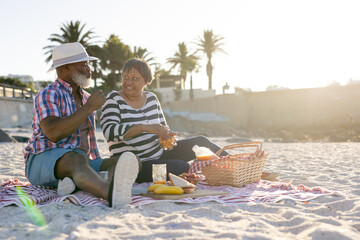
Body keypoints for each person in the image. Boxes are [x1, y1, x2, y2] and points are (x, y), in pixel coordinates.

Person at [23, 42, 139, 207]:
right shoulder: (47, 94)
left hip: (80, 161)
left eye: (88, 64)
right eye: (83, 64)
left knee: (124, 160)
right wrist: (89, 107)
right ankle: (110, 192)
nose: (89, 69)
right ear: (65, 68)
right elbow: (53, 133)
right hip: (42, 160)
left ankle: (74, 182)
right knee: (75, 159)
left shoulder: (85, 97)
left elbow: (87, 142)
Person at [100, 58, 227, 183]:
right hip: (136, 166)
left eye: (134, 78)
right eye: (125, 77)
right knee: (181, 167)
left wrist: (168, 138)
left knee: (202, 142)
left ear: (146, 81)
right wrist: (145, 127)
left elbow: (163, 128)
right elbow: (109, 132)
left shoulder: (151, 99)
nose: (128, 82)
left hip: (159, 155)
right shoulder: (113, 99)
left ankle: (235, 164)